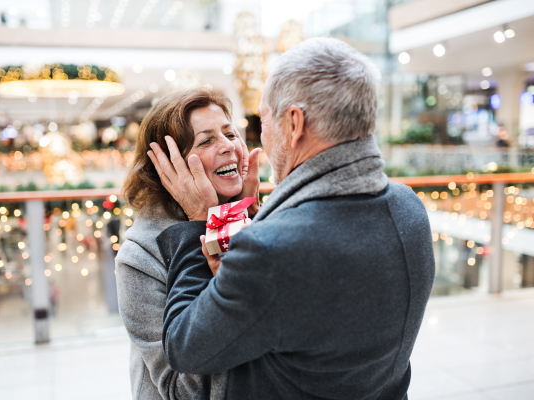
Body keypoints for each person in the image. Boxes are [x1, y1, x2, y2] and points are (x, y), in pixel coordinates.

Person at [150, 37, 436, 399]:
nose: (260, 138)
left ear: (294, 122)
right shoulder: (409, 207)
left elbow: (184, 346)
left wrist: (197, 222)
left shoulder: (272, 249)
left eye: (263, 120)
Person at [116, 88, 261, 400]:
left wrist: (246, 214)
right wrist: (204, 224)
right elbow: (181, 391)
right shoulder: (138, 257)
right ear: (172, 168)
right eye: (207, 140)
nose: (230, 148)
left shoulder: (243, 215)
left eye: (229, 133)